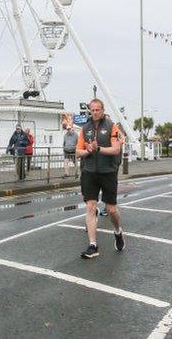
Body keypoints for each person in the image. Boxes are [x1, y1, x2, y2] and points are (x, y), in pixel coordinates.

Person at [76, 99, 125, 259]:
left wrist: (98, 148)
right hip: (89, 171)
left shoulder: (112, 126)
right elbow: (78, 151)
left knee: (111, 209)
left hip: (108, 172)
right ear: (90, 110)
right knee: (90, 206)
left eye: (98, 109)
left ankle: (118, 231)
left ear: (103, 110)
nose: (95, 112)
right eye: (92, 110)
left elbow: (116, 149)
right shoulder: (85, 129)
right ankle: (93, 245)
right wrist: (88, 150)